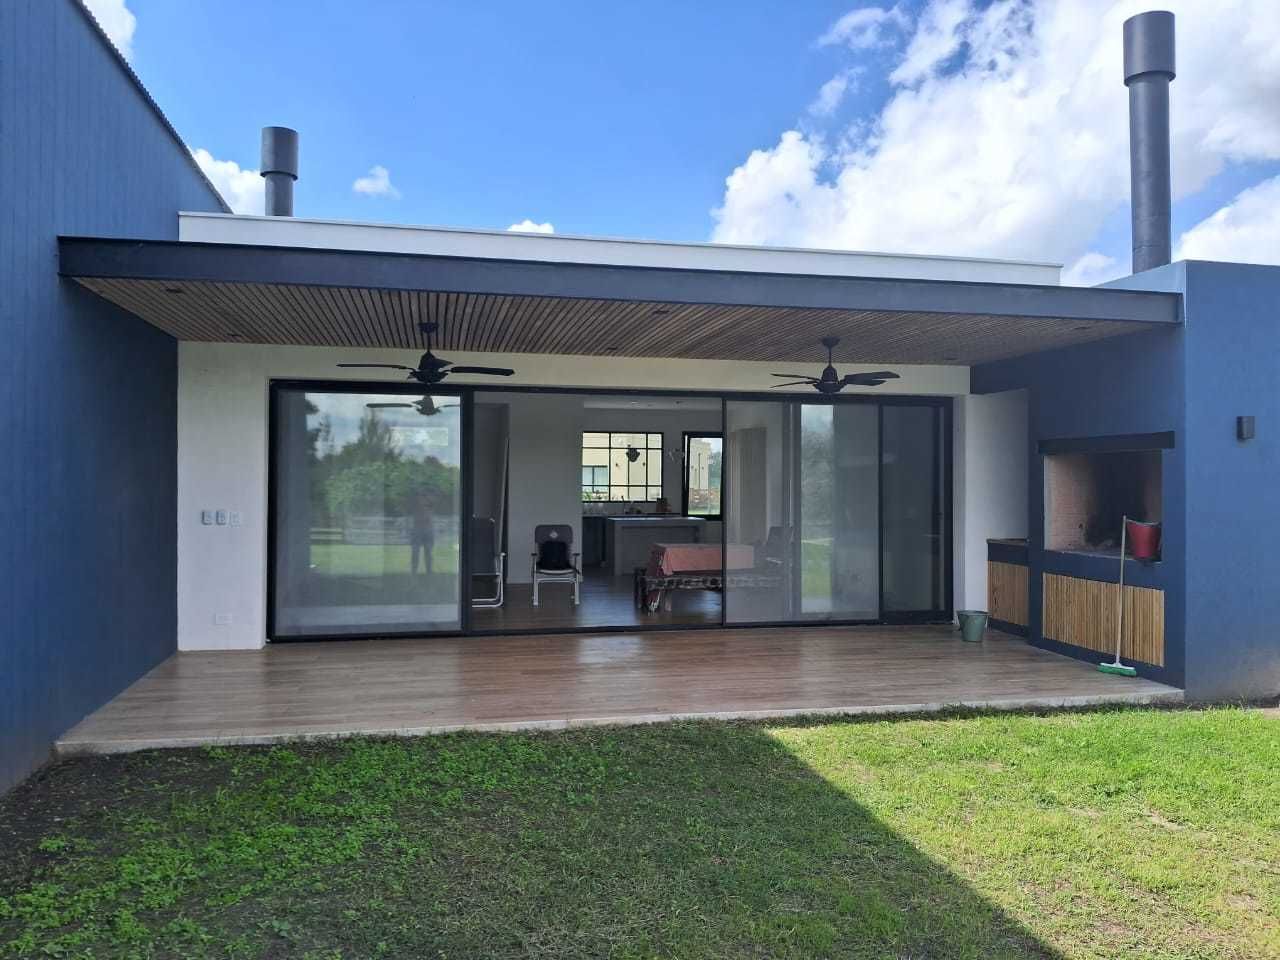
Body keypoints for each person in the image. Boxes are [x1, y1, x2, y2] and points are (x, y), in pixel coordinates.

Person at [409, 486, 435, 576]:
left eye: (423, 493)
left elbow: (430, 509)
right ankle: (414, 572)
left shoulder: (429, 501)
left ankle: (429, 571)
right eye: (419, 494)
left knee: (428, 552)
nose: (421, 496)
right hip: (417, 530)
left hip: (427, 530)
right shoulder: (415, 503)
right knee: (415, 552)